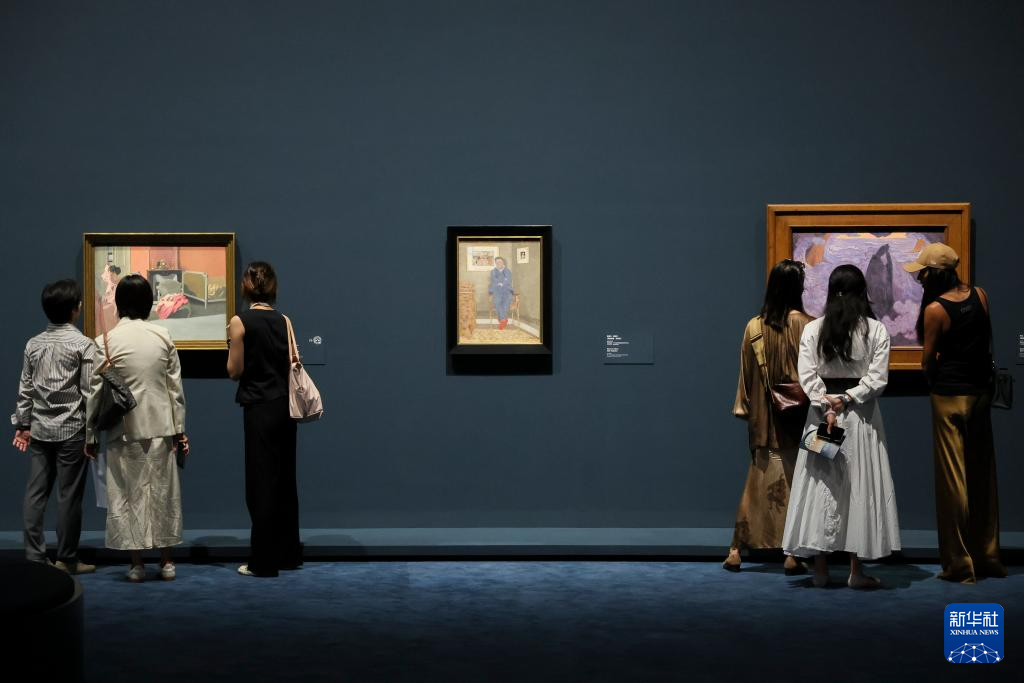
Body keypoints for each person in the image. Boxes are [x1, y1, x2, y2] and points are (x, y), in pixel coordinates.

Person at [783, 265, 901, 588]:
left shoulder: (814, 330)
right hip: (860, 417)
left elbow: (807, 375)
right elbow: (877, 379)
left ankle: (820, 569)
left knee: (821, 485)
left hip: (823, 418)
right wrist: (847, 399)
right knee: (859, 485)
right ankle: (855, 570)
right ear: (862, 292)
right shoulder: (875, 330)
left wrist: (826, 404)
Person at [904, 242, 1007, 583]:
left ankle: (960, 565)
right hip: (980, 394)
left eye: (922, 273)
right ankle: (988, 557)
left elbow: (927, 360)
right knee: (982, 475)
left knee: (953, 482)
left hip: (949, 396)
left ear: (934, 274)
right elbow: (985, 341)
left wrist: (934, 379)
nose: (919, 278)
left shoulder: (936, 309)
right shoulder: (981, 295)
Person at [85, 274, 189, 582]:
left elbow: (95, 393)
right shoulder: (163, 336)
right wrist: (180, 429)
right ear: (148, 303)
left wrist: (90, 435)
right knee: (162, 493)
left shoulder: (105, 341)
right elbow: (175, 390)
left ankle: (136, 564)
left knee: (128, 495)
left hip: (122, 428)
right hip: (160, 426)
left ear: (118, 304)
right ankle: (167, 561)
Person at [725, 259, 812, 574]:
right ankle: (792, 553)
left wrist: (747, 410)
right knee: (797, 483)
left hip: (763, 420)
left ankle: (736, 549)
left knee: (757, 483)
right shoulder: (809, 325)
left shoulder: (754, 327)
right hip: (799, 419)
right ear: (799, 288)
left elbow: (746, 379)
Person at [13, 280, 97, 574]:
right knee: (69, 497)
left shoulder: (33, 344)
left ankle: (34, 557)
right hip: (72, 429)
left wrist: (22, 424)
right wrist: (93, 434)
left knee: (35, 494)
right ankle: (67, 559)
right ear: (76, 309)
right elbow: (89, 393)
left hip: (39, 428)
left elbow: (25, 389)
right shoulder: (84, 345)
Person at [227, 261, 301, 577]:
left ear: (246, 287)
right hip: (285, 407)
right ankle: (288, 554)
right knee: (284, 480)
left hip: (258, 408)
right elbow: (294, 361)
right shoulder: (284, 321)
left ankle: (263, 561)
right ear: (273, 287)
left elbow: (234, 370)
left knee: (261, 483)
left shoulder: (239, 321)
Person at [489, 257, 514, 330]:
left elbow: (508, 280)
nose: (498, 263)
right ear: (495, 263)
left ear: (503, 263)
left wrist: (501, 283)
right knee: (497, 303)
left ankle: (501, 320)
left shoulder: (508, 271)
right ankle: (503, 320)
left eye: (500, 262)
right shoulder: (493, 271)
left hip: (507, 291)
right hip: (497, 291)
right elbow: (494, 280)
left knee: (505, 305)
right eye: (497, 262)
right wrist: (502, 281)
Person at [99, 264, 121, 333]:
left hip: (116, 302)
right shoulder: (110, 282)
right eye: (109, 275)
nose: (109, 276)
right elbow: (107, 294)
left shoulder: (120, 282)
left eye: (111, 274)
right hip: (109, 301)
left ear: (114, 273)